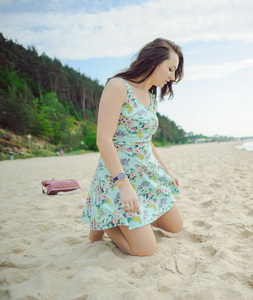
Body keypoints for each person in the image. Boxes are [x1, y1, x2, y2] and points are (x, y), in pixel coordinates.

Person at [81, 38, 184, 256]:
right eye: (170, 69)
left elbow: (146, 140)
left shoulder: (151, 96)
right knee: (146, 250)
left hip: (145, 175)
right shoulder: (118, 86)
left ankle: (129, 220)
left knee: (176, 225)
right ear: (153, 61)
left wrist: (167, 171)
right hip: (119, 176)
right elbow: (103, 140)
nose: (172, 77)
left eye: (175, 71)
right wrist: (123, 185)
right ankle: (107, 222)